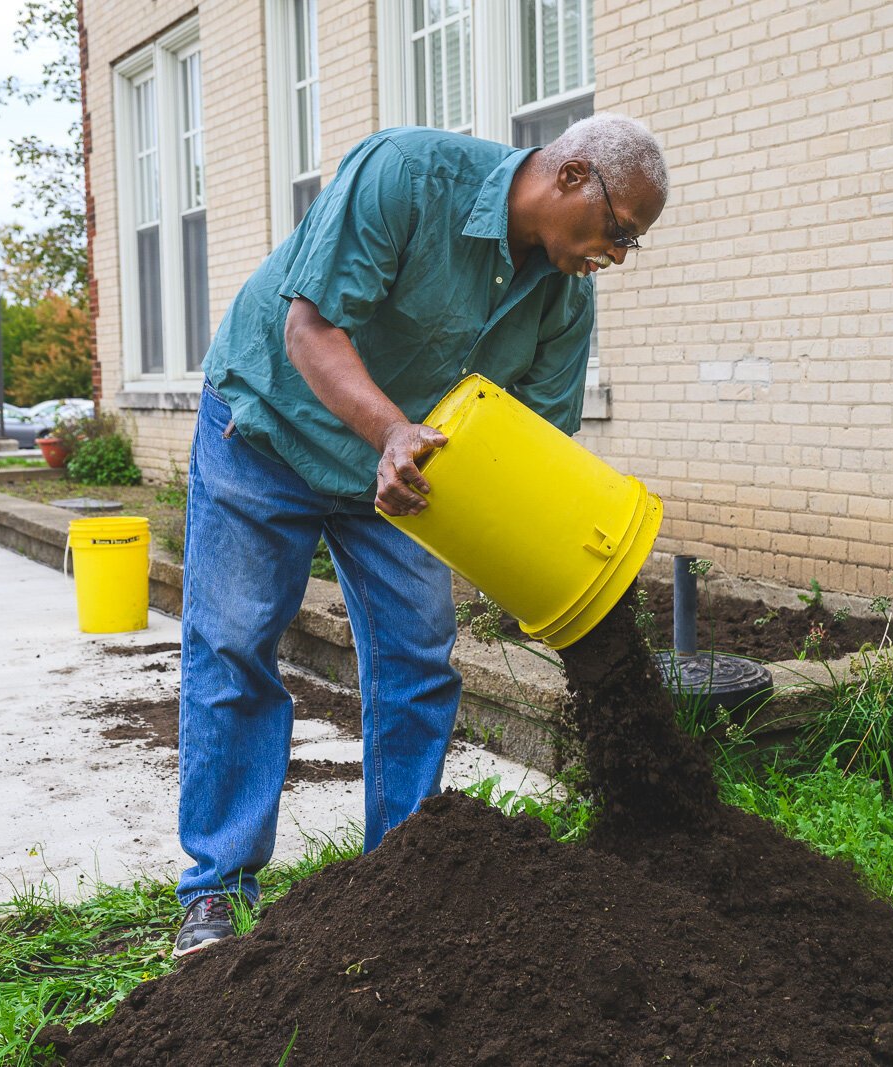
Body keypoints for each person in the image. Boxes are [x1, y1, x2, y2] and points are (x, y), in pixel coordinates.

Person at [171, 114, 669, 957]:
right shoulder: (405, 174)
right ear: (573, 174)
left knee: (418, 664)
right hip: (268, 425)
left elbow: (528, 459)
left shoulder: (562, 302)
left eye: (632, 246)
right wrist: (390, 433)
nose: (615, 256)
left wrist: (554, 576)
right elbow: (309, 329)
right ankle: (216, 886)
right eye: (618, 232)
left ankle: (399, 876)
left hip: (405, 476)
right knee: (233, 646)